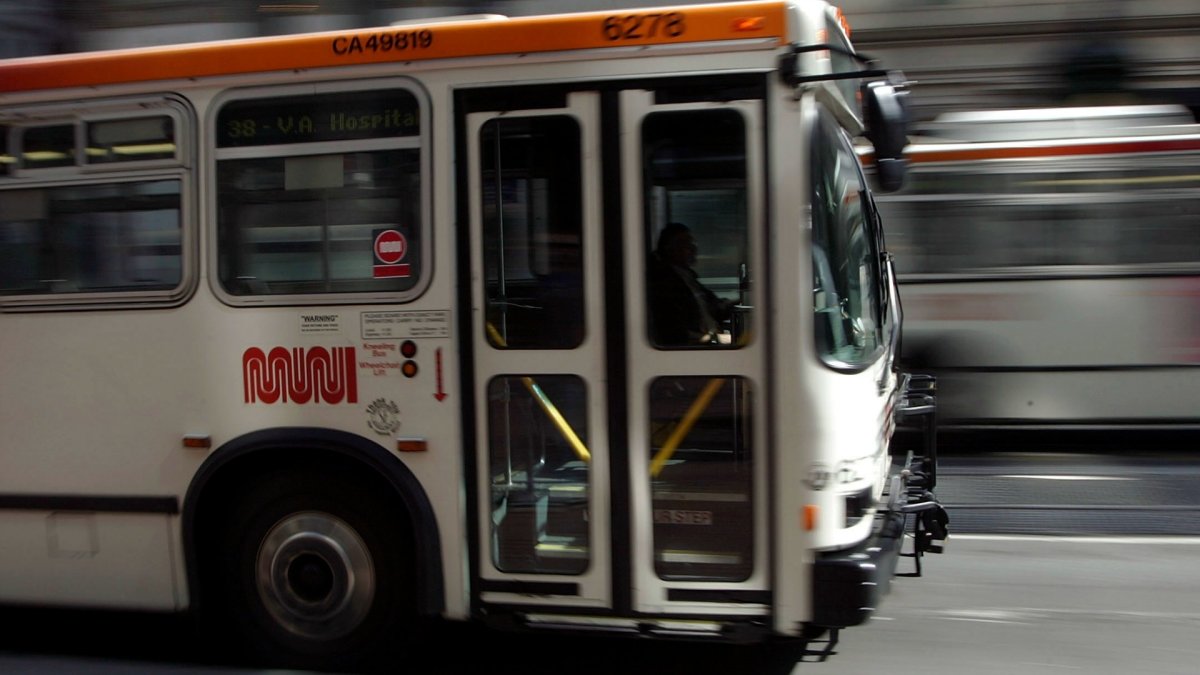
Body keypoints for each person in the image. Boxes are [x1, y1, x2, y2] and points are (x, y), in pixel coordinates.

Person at [647, 223, 734, 346]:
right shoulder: (664, 283)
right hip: (696, 345)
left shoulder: (687, 276)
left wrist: (734, 303)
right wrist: (710, 338)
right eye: (686, 244)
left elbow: (713, 306)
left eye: (693, 243)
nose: (693, 249)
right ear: (670, 249)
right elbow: (673, 329)